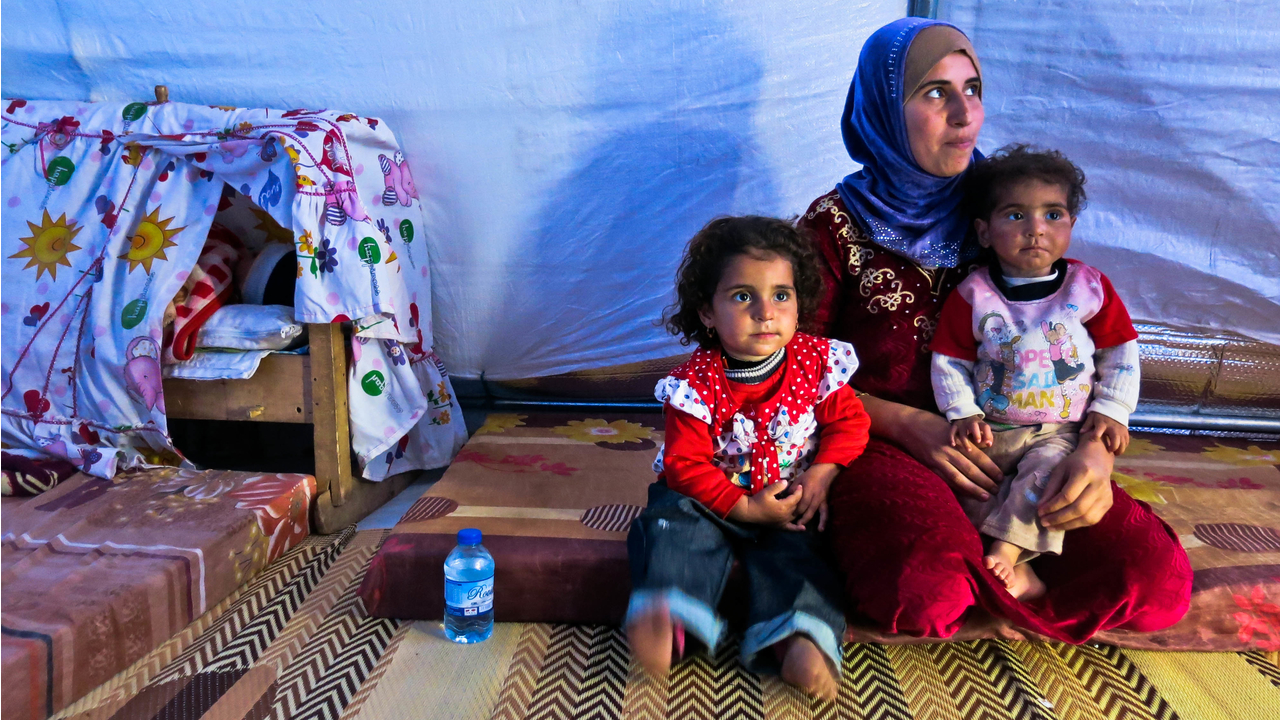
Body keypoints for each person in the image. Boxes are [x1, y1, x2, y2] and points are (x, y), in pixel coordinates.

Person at [798, 17, 1191, 642]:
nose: (965, 115)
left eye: (973, 89)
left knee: (1155, 582)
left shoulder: (1006, 207)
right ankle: (993, 582)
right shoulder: (831, 228)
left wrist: (1092, 452)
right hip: (883, 443)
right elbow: (795, 369)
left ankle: (998, 581)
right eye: (934, 93)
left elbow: (1080, 335)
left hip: (1026, 439)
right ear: (881, 107)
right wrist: (913, 425)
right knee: (924, 593)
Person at [626, 216, 871, 700]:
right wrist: (741, 508)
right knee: (670, 527)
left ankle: (799, 636)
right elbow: (685, 466)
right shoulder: (694, 385)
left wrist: (822, 474)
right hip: (705, 496)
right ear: (707, 313)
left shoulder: (817, 365)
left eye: (781, 295)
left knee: (802, 555)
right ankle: (670, 611)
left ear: (800, 304)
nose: (765, 312)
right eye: (743, 296)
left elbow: (851, 422)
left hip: (788, 496)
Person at [930, 145, 1141, 599]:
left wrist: (1113, 409)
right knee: (970, 495)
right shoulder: (973, 294)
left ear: (1071, 226)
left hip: (1057, 431)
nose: (1035, 230)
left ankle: (1005, 556)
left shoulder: (1088, 288)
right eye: (1015, 216)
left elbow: (1120, 353)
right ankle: (1022, 571)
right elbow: (950, 361)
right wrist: (961, 411)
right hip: (991, 431)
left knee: (1045, 480)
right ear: (984, 232)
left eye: (1052, 215)